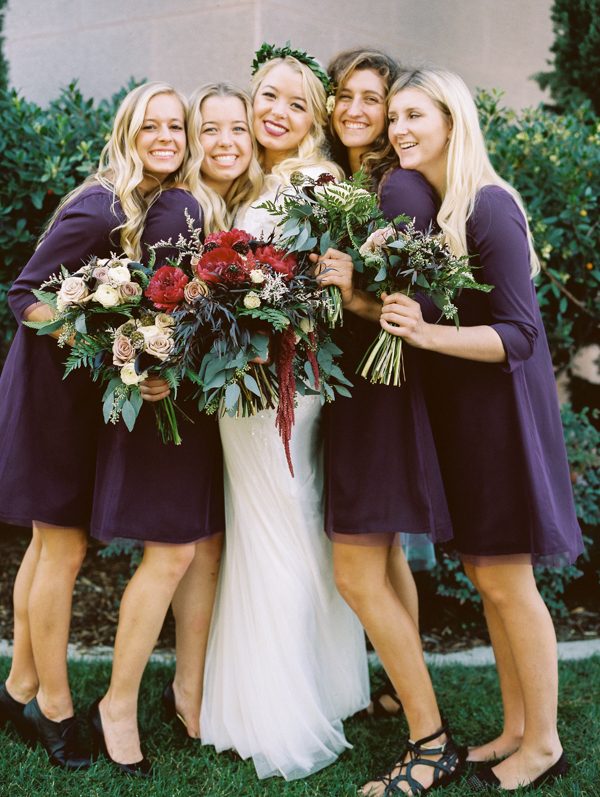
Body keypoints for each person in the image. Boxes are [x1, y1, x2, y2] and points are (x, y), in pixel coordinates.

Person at [380, 67, 583, 792]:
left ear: (452, 121)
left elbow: (519, 335)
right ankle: (514, 726)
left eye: (414, 115)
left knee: (507, 580)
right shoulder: (437, 213)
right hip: (465, 420)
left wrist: (426, 334)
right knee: (486, 577)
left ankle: (545, 742)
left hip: (501, 419)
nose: (399, 128)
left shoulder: (489, 207)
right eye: (394, 116)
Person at [0, 81, 187, 771]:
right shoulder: (101, 203)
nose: (165, 136)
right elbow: (26, 296)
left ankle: (19, 685)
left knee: (49, 548)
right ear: (127, 131)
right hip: (53, 401)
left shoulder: (140, 203)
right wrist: (100, 328)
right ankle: (53, 704)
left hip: (79, 398)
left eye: (176, 126)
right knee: (65, 552)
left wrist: (128, 346)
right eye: (151, 126)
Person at [199, 45, 370, 781]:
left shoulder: (315, 181)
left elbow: (308, 292)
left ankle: (278, 708)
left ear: (315, 121)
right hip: (254, 379)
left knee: (279, 525)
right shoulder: (259, 180)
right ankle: (320, 686)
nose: (276, 111)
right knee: (281, 523)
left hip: (278, 383)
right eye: (268, 95)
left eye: (297, 104)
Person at [87, 86, 255, 774]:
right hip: (171, 404)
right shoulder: (175, 205)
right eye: (202, 127)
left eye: (177, 126)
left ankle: (189, 690)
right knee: (172, 554)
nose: (210, 138)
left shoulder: (208, 202)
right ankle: (117, 702)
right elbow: (135, 300)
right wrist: (139, 360)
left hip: (208, 406)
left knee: (204, 548)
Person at [325, 53, 448, 712]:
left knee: (356, 571)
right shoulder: (346, 184)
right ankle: (407, 691)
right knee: (389, 554)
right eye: (345, 95)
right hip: (363, 384)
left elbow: (423, 305)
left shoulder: (395, 187)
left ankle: (429, 735)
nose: (356, 109)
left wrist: (355, 300)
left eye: (373, 99)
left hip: (379, 393)